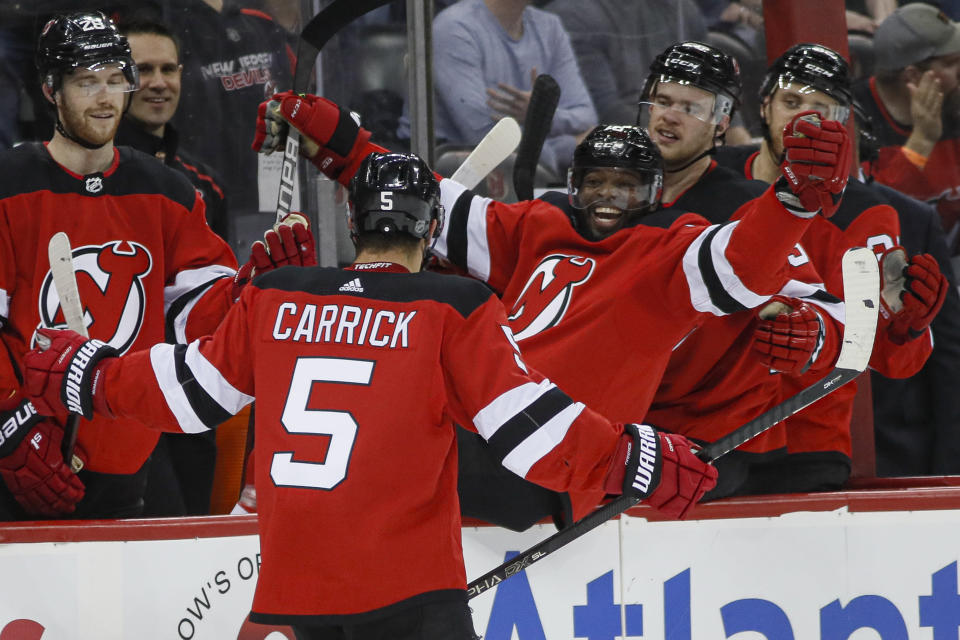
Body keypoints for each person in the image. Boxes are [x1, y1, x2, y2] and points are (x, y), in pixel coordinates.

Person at [19, 151, 718, 638]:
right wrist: (635, 458)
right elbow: (527, 429)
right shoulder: (451, 306)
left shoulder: (274, 297)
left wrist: (91, 375)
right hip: (407, 595)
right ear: (430, 228)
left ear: (355, 224)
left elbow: (194, 392)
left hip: (295, 594)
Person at [250, 83, 852, 529]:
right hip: (484, 432)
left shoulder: (671, 255)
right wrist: (338, 142)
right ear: (574, 184)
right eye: (597, 182)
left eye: (627, 186)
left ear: (654, 196)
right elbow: (428, 203)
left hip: (560, 462)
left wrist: (793, 203)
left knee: (380, 446)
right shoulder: (535, 227)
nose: (609, 197)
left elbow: (743, 263)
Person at [0, 11, 314, 521]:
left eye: (115, 81)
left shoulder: (165, 190)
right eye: (86, 83)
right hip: (23, 453)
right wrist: (9, 421)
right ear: (52, 90)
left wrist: (248, 292)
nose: (105, 99)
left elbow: (193, 316)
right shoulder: (10, 184)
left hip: (128, 455)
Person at [716, 42, 948, 492]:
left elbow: (890, 357)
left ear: (843, 121)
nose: (803, 117)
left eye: (821, 107)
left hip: (805, 442)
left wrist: (906, 327)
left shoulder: (866, 216)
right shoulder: (713, 177)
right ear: (764, 106)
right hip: (701, 437)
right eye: (791, 102)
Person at [634, 42, 845, 499]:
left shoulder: (748, 208)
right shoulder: (612, 192)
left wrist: (808, 332)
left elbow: (827, 310)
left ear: (722, 123)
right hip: (617, 426)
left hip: (707, 441)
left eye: (690, 107)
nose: (669, 117)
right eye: (663, 101)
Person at [411, 0, 596, 176]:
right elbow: (485, 139)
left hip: (530, 174)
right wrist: (569, 145)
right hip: (455, 179)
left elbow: (586, 116)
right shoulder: (454, 28)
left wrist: (542, 117)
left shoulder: (550, 27)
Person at [852, 3, 960, 248]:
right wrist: (921, 143)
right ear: (913, 76)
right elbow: (868, 210)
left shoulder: (954, 105)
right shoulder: (853, 118)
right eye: (953, 63)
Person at [116, 18, 228, 241]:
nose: (159, 83)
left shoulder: (207, 184)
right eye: (144, 70)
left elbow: (223, 272)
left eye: (167, 69)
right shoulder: (88, 174)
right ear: (115, 78)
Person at [544, 0, 709, 123]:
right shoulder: (575, 15)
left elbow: (712, 89)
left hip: (687, 134)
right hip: (632, 149)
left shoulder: (684, 10)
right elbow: (606, 109)